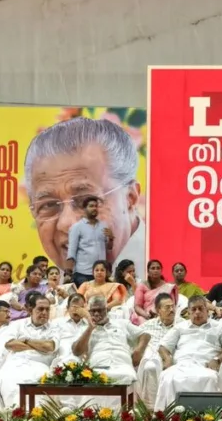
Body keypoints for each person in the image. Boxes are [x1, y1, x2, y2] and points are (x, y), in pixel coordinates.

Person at [25, 117, 144, 279]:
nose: (67, 223)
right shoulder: (41, 291)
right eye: (49, 205)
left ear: (130, 198)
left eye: (85, 201)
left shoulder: (174, 274)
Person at [154, 296, 222, 410]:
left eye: (200, 309)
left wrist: (217, 359)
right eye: (193, 309)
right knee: (168, 377)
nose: (197, 312)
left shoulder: (219, 327)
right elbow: (163, 346)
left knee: (210, 379)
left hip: (205, 365)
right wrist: (168, 360)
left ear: (207, 311)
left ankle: (207, 420)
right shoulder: (180, 327)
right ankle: (170, 420)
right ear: (188, 312)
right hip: (181, 365)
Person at [70, 296, 152, 407]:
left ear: (106, 310)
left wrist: (139, 351)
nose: (96, 314)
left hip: (122, 364)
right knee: (94, 382)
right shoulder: (84, 328)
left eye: (100, 310)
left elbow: (145, 335)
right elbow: (76, 351)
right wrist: (90, 328)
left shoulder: (122, 323)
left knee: (127, 377)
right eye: (93, 311)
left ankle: (126, 418)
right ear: (89, 312)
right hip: (98, 366)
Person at [0, 294, 60, 409]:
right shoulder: (18, 324)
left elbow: (49, 346)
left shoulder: (54, 327)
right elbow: (10, 344)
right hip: (15, 364)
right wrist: (38, 346)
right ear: (30, 310)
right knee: (7, 381)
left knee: (38, 384)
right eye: (40, 309)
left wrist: (25, 340)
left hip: (39, 365)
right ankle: (14, 418)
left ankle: (32, 419)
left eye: (47, 309)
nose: (44, 312)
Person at [137, 292, 179, 408]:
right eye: (167, 307)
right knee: (150, 366)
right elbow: (133, 339)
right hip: (153, 356)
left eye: (172, 306)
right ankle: (151, 408)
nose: (171, 310)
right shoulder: (147, 326)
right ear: (158, 310)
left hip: (174, 356)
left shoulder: (181, 325)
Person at [62, 196, 113, 287]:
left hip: (100, 273)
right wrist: (68, 273)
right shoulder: (77, 227)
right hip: (83, 273)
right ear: (84, 209)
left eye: (96, 206)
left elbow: (109, 248)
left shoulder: (103, 226)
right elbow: (71, 252)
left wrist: (111, 238)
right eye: (91, 206)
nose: (94, 208)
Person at [132, 260, 177, 326]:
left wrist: (161, 315)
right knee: (142, 322)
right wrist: (147, 316)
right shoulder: (142, 286)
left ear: (161, 271)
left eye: (158, 268)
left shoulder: (168, 287)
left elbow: (172, 305)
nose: (155, 270)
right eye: (153, 268)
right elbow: (137, 306)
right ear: (148, 271)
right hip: (146, 316)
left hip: (165, 315)